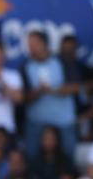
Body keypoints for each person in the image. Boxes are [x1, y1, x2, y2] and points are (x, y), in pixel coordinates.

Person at [22, 29, 76, 161]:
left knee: (68, 156)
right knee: (31, 157)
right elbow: (24, 98)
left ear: (44, 44)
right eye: (29, 45)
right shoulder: (25, 66)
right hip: (36, 121)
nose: (31, 49)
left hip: (63, 121)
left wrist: (52, 90)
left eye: (34, 44)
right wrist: (39, 92)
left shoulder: (62, 61)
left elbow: (75, 87)